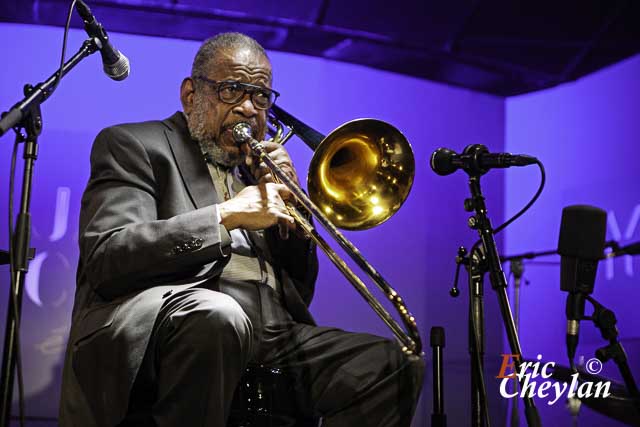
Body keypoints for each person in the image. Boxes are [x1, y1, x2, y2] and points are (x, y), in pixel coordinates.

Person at [59, 32, 424, 427]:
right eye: (233, 90)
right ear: (191, 95)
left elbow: (299, 292)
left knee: (392, 364)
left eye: (261, 96)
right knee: (218, 315)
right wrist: (225, 215)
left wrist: (294, 205)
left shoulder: (256, 173)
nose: (249, 108)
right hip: (180, 325)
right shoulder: (136, 144)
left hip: (270, 335)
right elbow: (108, 255)